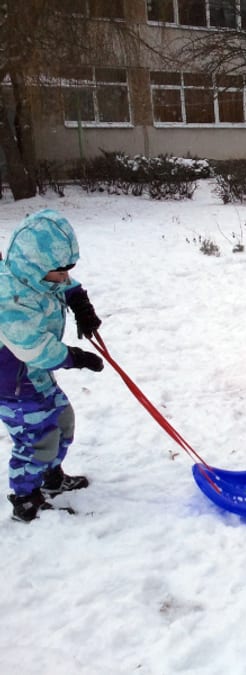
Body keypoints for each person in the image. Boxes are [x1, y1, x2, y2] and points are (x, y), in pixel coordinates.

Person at [0, 209, 104, 522]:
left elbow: (62, 283)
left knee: (62, 421)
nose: (65, 277)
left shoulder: (36, 276)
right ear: (34, 266)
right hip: (14, 385)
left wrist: (80, 303)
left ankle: (50, 477)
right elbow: (35, 348)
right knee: (36, 441)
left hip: (35, 377)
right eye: (59, 272)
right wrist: (76, 357)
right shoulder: (10, 301)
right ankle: (25, 499)